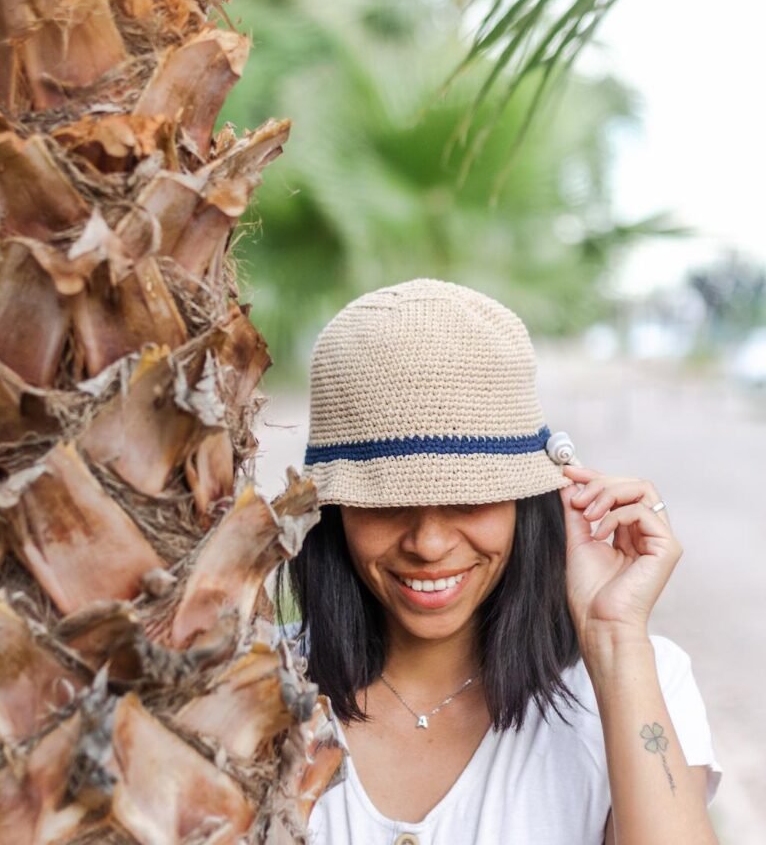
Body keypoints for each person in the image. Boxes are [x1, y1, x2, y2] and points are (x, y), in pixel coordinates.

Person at [277, 278, 722, 845]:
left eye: (470, 499)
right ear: (334, 512)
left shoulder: (637, 679)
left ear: (527, 502)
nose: (430, 544)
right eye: (389, 503)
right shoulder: (248, 686)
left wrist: (614, 640)